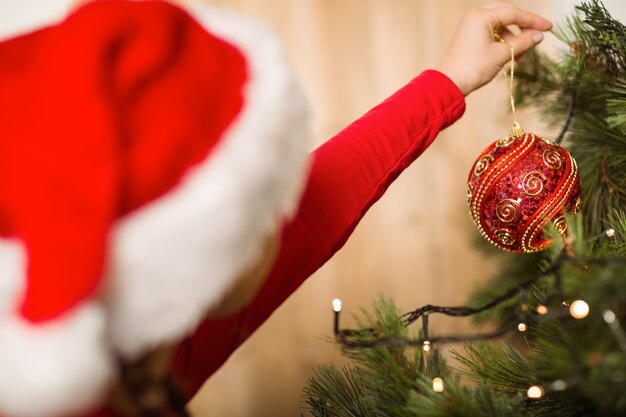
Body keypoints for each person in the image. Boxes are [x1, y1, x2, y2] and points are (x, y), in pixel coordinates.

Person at [0, 1, 551, 416]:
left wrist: (447, 81)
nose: (280, 213)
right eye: (266, 201)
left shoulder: (138, 334)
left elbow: (316, 206)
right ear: (203, 262)